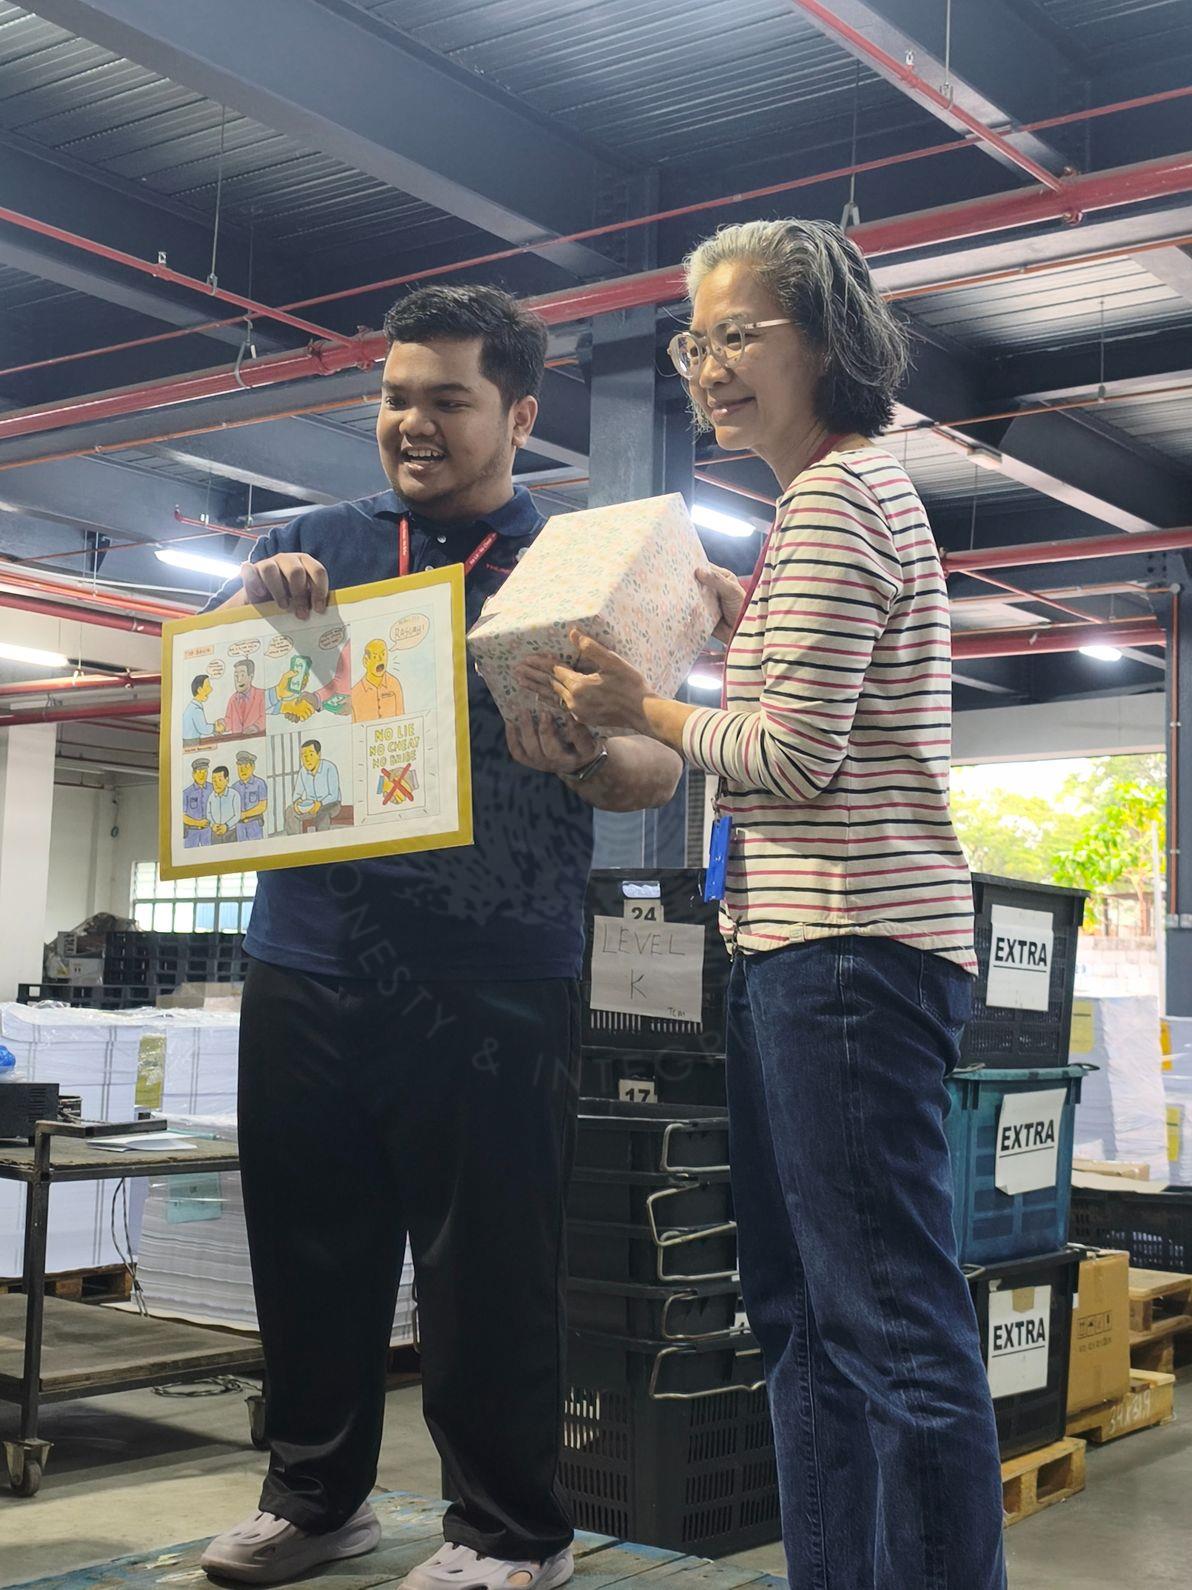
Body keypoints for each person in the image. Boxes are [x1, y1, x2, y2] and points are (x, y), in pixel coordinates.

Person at [521, 220, 1006, 1590]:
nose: (709, 367)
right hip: (802, 947)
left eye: (740, 333)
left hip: (846, 951)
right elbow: (813, 715)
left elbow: (792, 756)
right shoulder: (816, 509)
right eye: (696, 340)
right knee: (799, 1313)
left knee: (887, 1327)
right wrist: (745, 628)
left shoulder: (842, 497)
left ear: (827, 340)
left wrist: (646, 703)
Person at [198, 283, 682, 1588]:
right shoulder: (310, 547)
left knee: (491, 1268)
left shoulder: (579, 570)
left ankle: (512, 1532)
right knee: (310, 1245)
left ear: (519, 413)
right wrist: (255, 625)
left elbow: (656, 764)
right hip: (309, 952)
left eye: (448, 400)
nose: (412, 423)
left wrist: (585, 752)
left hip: (495, 970)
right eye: (395, 397)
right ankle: (316, 1500)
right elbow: (222, 715)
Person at [283, 739, 342, 833]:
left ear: (318, 755)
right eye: (304, 756)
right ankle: (295, 839)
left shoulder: (329, 767)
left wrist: (320, 804)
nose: (307, 759)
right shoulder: (303, 771)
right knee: (290, 811)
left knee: (322, 812)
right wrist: (297, 802)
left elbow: (333, 795)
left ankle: (322, 839)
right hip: (311, 805)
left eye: (311, 754)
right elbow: (297, 793)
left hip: (331, 804)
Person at [350, 637, 406, 721]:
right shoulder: (355, 693)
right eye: (375, 656)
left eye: (383, 655)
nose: (380, 660)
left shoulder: (394, 684)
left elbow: (401, 718)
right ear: (366, 661)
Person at [221, 658, 267, 736]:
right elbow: (230, 720)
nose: (239, 680)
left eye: (242, 675)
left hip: (257, 738)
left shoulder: (262, 695)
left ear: (251, 677)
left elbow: (265, 717)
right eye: (236, 676)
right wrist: (223, 724)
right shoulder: (233, 699)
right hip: (237, 740)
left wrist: (256, 727)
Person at [234, 752, 269, 841]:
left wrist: (245, 814)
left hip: (254, 824)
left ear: (253, 767)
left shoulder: (260, 784)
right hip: (239, 826)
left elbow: (262, 806)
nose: (242, 770)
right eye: (240, 767)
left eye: (246, 767)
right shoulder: (234, 787)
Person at [207, 765, 243, 844]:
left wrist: (226, 826)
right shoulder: (211, 797)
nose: (216, 783)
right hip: (215, 833)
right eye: (214, 780)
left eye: (220, 780)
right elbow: (208, 814)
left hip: (230, 833)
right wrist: (212, 825)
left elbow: (237, 815)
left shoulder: (234, 795)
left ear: (227, 780)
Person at [182, 759, 212, 847]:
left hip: (209, 832)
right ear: (193, 774)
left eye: (205, 772)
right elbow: (182, 816)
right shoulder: (186, 793)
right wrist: (198, 823)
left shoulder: (213, 789)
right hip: (191, 832)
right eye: (199, 772)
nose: (202, 775)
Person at [182, 674, 216, 742]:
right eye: (208, 686)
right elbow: (203, 729)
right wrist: (215, 727)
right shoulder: (196, 709)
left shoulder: (193, 706)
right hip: (191, 742)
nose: (211, 689)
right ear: (199, 690)